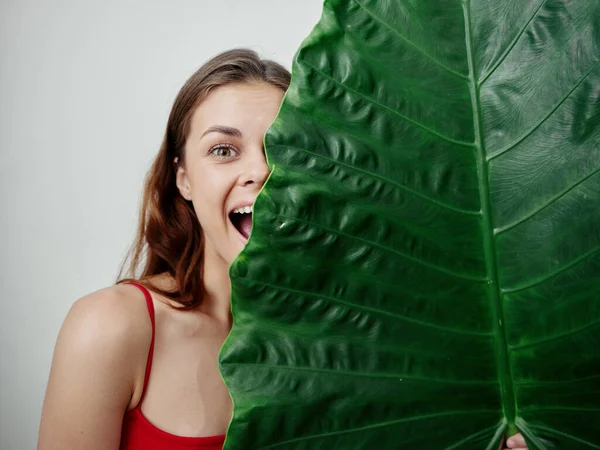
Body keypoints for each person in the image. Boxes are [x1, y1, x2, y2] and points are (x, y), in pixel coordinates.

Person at [37, 48, 529, 450]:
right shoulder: (112, 327)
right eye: (223, 150)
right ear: (183, 178)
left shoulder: (359, 343)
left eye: (281, 149)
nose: (261, 172)